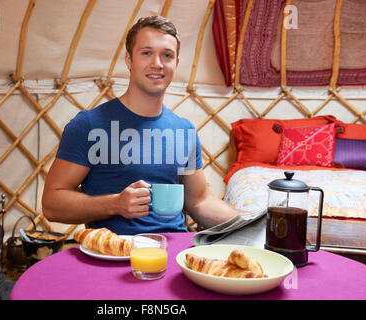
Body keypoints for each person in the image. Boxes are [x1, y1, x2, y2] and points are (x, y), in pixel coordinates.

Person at [42, 16, 242, 235]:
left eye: (167, 55)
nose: (157, 63)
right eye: (146, 53)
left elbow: (199, 201)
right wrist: (115, 204)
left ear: (175, 63)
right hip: (117, 253)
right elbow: (52, 203)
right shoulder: (90, 125)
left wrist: (251, 223)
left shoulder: (184, 131)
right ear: (129, 61)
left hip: (176, 250)